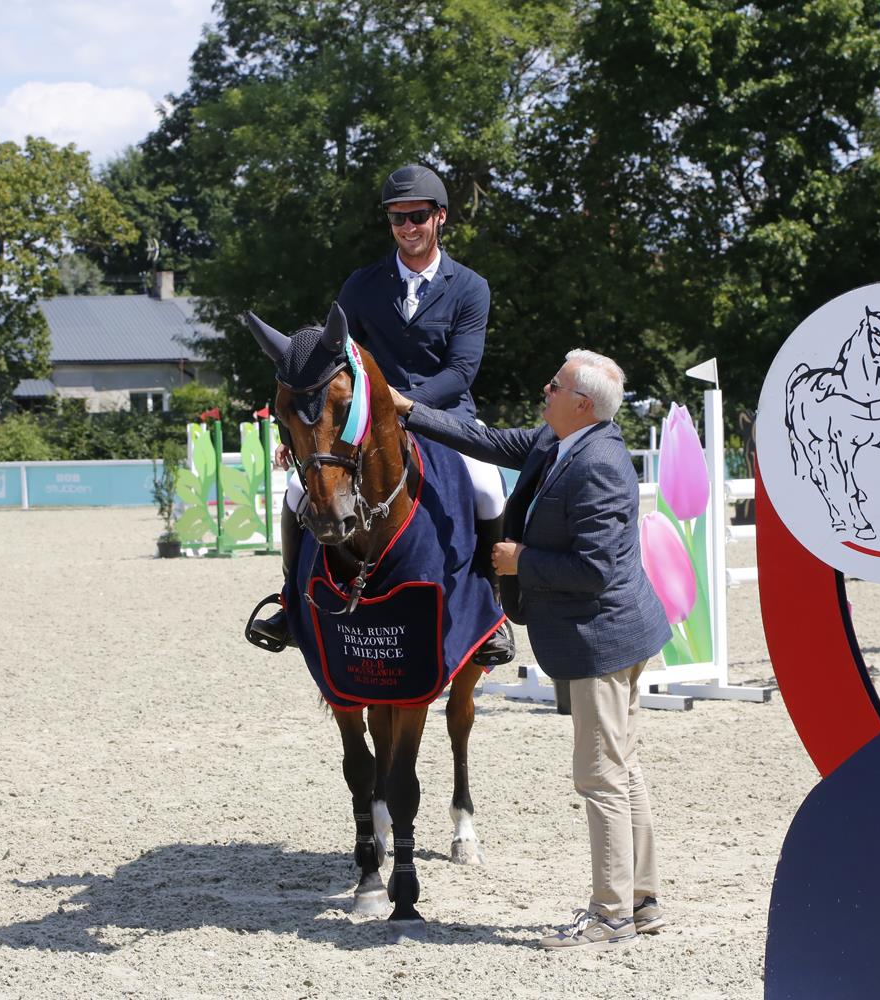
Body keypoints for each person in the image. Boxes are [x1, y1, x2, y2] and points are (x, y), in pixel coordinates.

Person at [391, 349, 671, 951]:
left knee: (600, 776)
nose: (546, 389)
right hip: (611, 631)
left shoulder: (599, 464)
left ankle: (611, 916)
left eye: (556, 385)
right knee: (622, 768)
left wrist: (521, 561)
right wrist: (407, 410)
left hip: (601, 636)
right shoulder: (558, 439)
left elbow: (594, 569)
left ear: (583, 404)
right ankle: (641, 900)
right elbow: (486, 439)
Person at [249, 164, 511, 664]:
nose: (407, 227)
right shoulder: (362, 284)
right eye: (397, 218)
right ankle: (289, 601)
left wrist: (405, 404)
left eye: (417, 216)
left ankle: (490, 610)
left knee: (485, 487)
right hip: (367, 420)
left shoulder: (469, 286)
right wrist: (304, 431)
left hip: (446, 414)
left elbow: (461, 370)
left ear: (440, 217)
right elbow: (334, 363)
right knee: (299, 489)